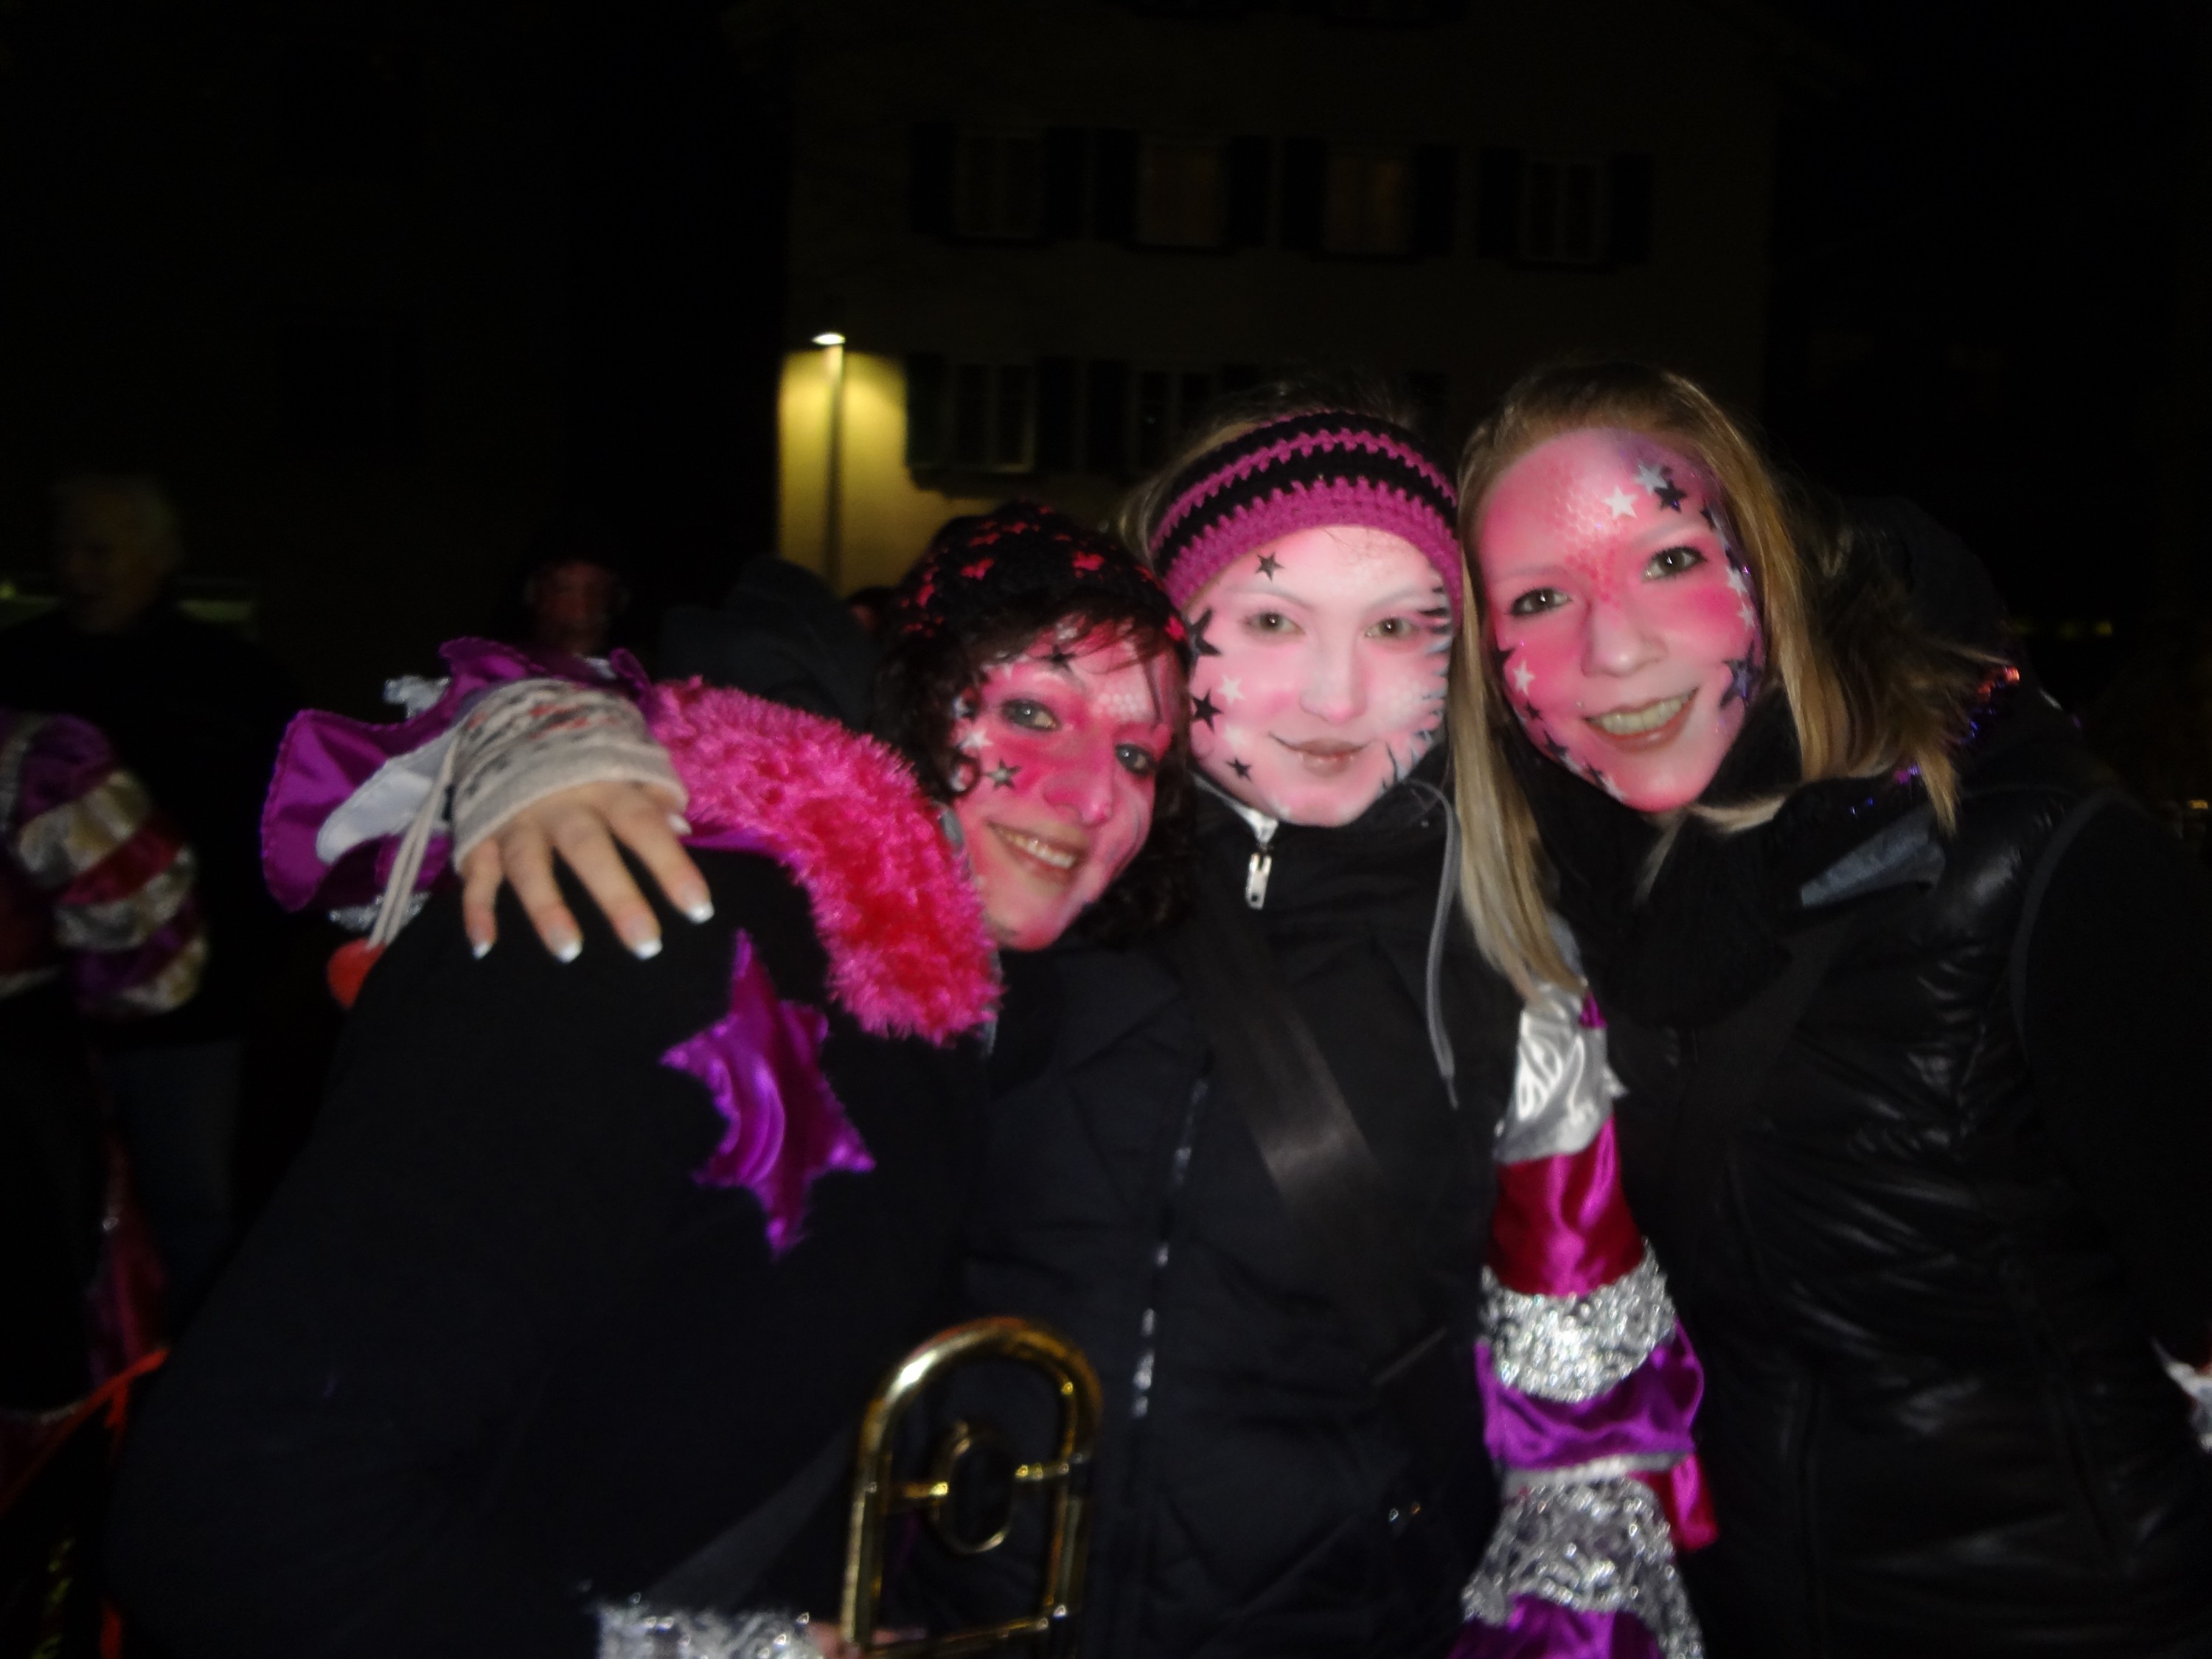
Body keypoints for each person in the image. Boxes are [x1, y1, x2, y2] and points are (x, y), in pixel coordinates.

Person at [416, 389, 1714, 1658]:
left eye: (1397, 628)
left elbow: (1589, 1430)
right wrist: (559, 738)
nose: (1335, 695)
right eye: (1270, 619)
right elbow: (765, 744)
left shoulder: (1509, 976)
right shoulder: (1021, 870)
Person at [102, 505, 1189, 1659]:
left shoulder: (969, 1012)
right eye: (1032, 712)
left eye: (1137, 756)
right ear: (915, 698)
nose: (1090, 796)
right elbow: (233, 1505)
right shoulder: (653, 918)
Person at [1447, 360, 2212, 1655]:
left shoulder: (2034, 859)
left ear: (1772, 562)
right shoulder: (1546, 911)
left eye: (1672, 561)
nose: (1614, 649)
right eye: (1538, 598)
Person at [0, 473, 299, 1324]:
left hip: (190, 1016)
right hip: (41, 1026)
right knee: (52, 1214)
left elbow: (284, 835)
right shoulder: (18, 667)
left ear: (160, 559)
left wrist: (244, 963)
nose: (77, 570)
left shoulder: (233, 679)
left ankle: (193, 1371)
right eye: (65, 549)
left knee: (190, 1205)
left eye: (100, 551)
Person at [0, 709, 198, 1475]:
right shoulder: (34, 761)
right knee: (41, 1327)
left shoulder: (37, 764)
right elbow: (149, 948)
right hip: (19, 1098)